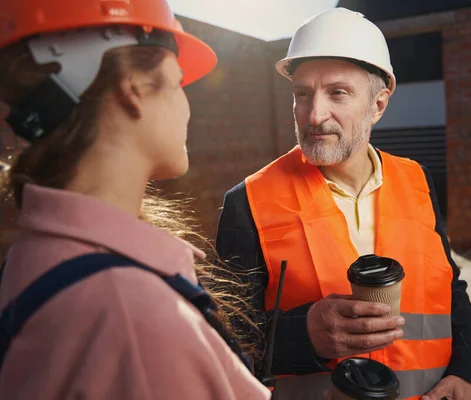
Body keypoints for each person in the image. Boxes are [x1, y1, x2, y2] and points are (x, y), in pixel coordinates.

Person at [0, 1, 270, 399]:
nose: (186, 107)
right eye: (178, 82)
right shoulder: (133, 316)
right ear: (135, 89)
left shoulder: (35, 255)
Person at [216, 8, 471, 400]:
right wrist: (301, 335)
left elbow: (450, 289)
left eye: (337, 93)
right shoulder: (248, 202)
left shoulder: (417, 182)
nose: (314, 114)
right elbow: (224, 339)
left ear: (378, 105)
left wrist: (470, 372)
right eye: (302, 94)